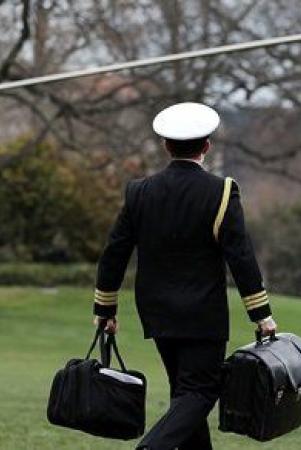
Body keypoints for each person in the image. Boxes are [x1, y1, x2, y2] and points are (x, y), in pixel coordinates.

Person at [91, 102, 277, 450]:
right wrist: (262, 315)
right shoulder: (221, 192)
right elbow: (241, 257)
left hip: (157, 313)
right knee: (202, 391)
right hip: (202, 315)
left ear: (165, 145)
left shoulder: (139, 192)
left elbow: (114, 252)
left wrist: (105, 309)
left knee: (185, 393)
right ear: (207, 146)